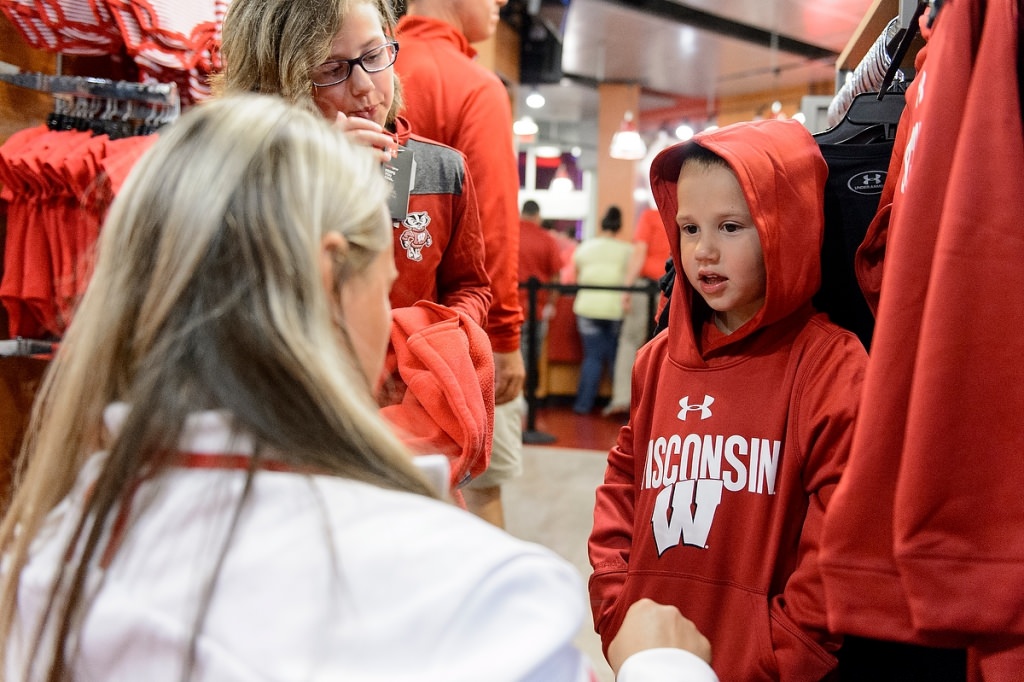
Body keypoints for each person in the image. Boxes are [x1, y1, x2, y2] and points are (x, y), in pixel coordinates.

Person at [0, 93, 718, 682]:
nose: (396, 317)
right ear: (327, 274)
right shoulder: (465, 588)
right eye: (385, 281)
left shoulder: (44, 557)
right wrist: (666, 666)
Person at [588, 119, 869, 681]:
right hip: (648, 657)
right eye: (689, 229)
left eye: (731, 226)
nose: (704, 251)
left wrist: (780, 651)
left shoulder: (831, 366)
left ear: (783, 226)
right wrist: (618, 611)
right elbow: (621, 489)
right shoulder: (657, 360)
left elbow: (841, 536)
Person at [216, 0, 494, 496]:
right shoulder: (243, 177)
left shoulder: (441, 170)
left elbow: (470, 286)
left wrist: (434, 344)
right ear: (277, 81)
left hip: (414, 422)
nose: (365, 86)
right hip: (294, 429)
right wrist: (319, 178)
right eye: (331, 70)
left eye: (374, 55)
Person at [395, 0, 525, 528]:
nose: (502, 3)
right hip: (446, 338)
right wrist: (506, 339)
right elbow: (493, 225)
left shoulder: (370, 66)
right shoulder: (475, 85)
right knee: (479, 488)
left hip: (354, 343)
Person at [603, 205, 671, 417]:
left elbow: (640, 252)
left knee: (630, 341)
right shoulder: (684, 212)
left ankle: (622, 399)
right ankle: (663, 405)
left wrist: (627, 288)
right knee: (668, 345)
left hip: (647, 286)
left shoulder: (651, 216)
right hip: (674, 287)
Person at [571, 205, 633, 415]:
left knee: (593, 357)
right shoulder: (627, 250)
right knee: (618, 358)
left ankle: (583, 405)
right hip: (615, 309)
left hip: (587, 307)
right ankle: (621, 404)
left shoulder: (585, 247)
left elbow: (576, 274)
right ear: (620, 225)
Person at [517, 199, 562, 379]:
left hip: (509, 306)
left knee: (506, 351)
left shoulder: (510, 235)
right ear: (537, 216)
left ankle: (511, 399)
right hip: (537, 307)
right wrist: (551, 305)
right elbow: (556, 277)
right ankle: (526, 395)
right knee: (530, 354)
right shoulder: (547, 239)